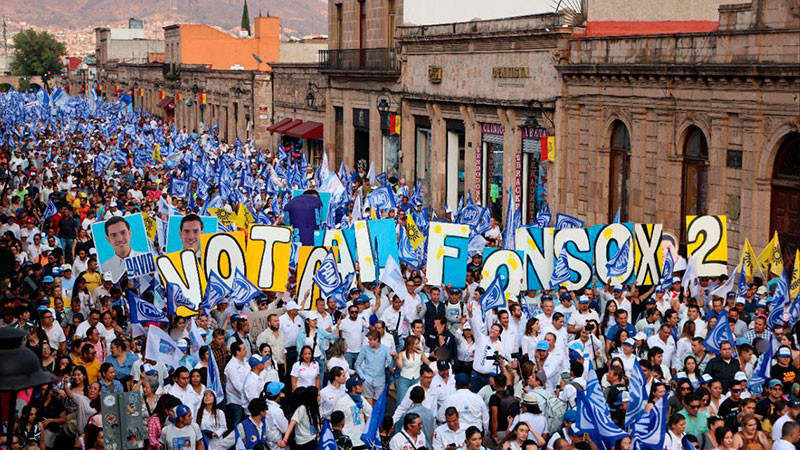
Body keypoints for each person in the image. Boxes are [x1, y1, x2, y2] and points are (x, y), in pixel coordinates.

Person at [102, 216, 145, 282]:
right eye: (113, 235)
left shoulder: (145, 259)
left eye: (123, 232)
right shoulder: (104, 268)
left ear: (129, 233)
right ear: (108, 240)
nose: (120, 239)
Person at [334, 376, 372, 449]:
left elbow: (370, 412)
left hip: (362, 439)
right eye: (359, 385)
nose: (362, 387)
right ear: (353, 388)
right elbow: (336, 420)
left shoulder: (361, 399)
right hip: (350, 440)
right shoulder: (341, 402)